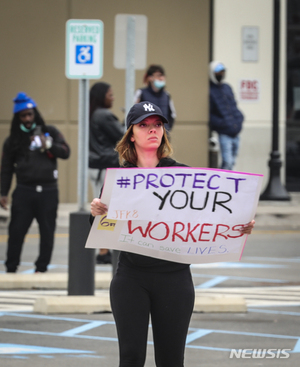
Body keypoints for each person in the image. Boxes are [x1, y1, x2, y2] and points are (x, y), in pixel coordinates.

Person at [90, 101, 255, 367]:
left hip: (175, 280)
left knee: (171, 360)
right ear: (131, 134)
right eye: (143, 125)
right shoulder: (121, 179)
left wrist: (239, 224)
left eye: (157, 125)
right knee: (131, 358)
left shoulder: (183, 176)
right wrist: (97, 211)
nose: (152, 130)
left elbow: (211, 216)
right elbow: (103, 229)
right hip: (131, 279)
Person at [0, 92, 70, 273]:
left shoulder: (50, 132)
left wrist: (48, 145)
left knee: (47, 233)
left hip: (48, 191)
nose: (28, 119)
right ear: (18, 118)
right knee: (16, 232)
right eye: (23, 116)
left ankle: (41, 268)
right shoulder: (13, 140)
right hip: (24, 190)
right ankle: (11, 267)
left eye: (30, 114)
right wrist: (3, 192)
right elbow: (6, 168)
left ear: (35, 114)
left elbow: (65, 152)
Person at [89, 82, 124, 264]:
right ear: (102, 96)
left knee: (102, 207)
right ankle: (104, 251)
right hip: (106, 167)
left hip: (96, 166)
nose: (113, 97)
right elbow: (122, 136)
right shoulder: (104, 115)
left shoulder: (92, 114)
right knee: (106, 209)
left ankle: (104, 250)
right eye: (110, 94)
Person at [209, 61, 244, 170]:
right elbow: (209, 114)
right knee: (227, 162)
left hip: (235, 131)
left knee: (232, 162)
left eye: (222, 71)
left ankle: (227, 185)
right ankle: (221, 185)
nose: (221, 74)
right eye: (218, 72)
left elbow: (234, 106)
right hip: (224, 133)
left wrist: (239, 119)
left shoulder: (227, 88)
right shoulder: (209, 90)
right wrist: (222, 124)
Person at [133, 64, 176, 135]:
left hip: (163, 134)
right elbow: (133, 112)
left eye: (162, 76)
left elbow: (172, 115)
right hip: (146, 134)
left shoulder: (167, 95)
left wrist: (167, 129)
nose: (161, 78)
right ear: (150, 78)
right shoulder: (141, 93)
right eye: (158, 75)